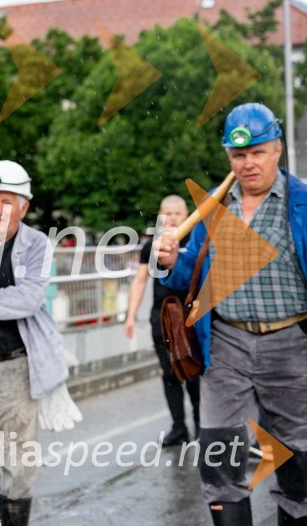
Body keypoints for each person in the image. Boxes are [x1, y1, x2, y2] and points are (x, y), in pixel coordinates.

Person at [157, 103, 307, 526]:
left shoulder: (302, 203)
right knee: (218, 451)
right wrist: (170, 260)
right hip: (226, 343)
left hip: (292, 343)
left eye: (257, 152)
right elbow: (192, 271)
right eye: (239, 156)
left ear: (277, 148)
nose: (248, 163)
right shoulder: (213, 209)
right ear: (229, 157)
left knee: (297, 459)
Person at [0, 160, 82, 526]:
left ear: (24, 205)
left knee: (18, 461)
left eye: (7, 201)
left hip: (17, 366)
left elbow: (29, 299)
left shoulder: (36, 244)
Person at [124, 195, 200, 446]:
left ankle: (203, 427)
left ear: (186, 214)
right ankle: (179, 428)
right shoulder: (152, 245)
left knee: (194, 372)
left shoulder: (196, 239)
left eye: (177, 213)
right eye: (166, 214)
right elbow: (140, 280)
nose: (171, 218)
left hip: (192, 316)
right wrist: (130, 315)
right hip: (162, 317)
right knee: (170, 374)